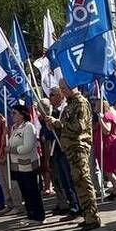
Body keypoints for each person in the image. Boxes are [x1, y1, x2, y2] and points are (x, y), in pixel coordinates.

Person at [53, 79, 101, 230]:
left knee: (84, 182)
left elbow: (79, 126)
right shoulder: (70, 104)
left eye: (64, 87)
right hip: (71, 149)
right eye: (60, 88)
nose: (62, 91)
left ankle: (93, 218)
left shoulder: (80, 102)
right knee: (78, 183)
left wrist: (60, 123)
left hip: (79, 147)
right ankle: (87, 215)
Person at [44, 88, 81, 219]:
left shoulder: (66, 109)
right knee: (63, 180)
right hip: (57, 149)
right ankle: (72, 205)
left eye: (52, 95)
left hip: (67, 147)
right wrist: (48, 127)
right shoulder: (50, 111)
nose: (50, 97)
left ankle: (78, 206)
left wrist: (56, 123)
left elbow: (69, 126)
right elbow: (47, 134)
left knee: (71, 179)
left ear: (60, 96)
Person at [7, 104, 45, 225]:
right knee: (25, 192)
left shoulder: (28, 127)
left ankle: (39, 216)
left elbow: (27, 147)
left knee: (32, 190)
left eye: (14, 113)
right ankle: (31, 215)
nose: (12, 116)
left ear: (22, 114)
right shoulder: (14, 128)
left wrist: (11, 149)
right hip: (17, 166)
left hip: (29, 165)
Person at [95, 99, 116, 200]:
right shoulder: (105, 115)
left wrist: (100, 120)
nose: (95, 106)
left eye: (97, 105)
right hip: (106, 145)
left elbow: (107, 130)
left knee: (108, 170)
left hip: (108, 145)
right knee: (110, 170)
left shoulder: (106, 115)